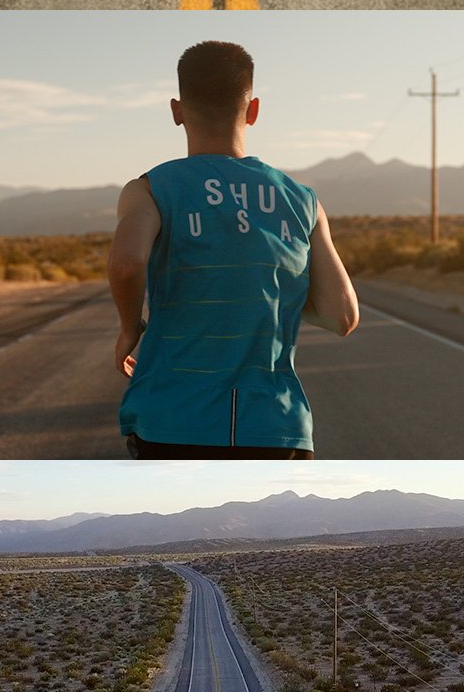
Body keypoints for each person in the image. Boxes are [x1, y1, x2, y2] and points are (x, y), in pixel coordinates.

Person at [108, 40, 359, 459]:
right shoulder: (304, 201)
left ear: (177, 111)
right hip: (276, 427)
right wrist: (272, 293)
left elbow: (127, 263)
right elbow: (344, 316)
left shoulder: (150, 189)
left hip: (172, 421)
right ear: (254, 109)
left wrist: (130, 327)